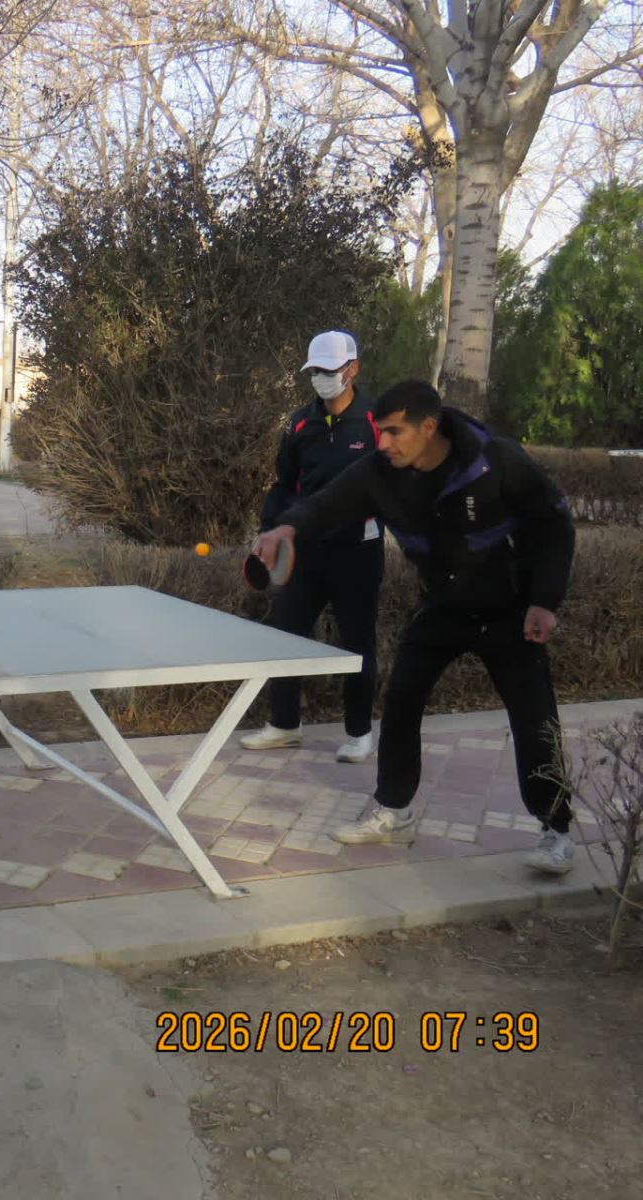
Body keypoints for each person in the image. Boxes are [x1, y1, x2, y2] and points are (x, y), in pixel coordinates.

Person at [254, 379, 577, 874]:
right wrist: (286, 528)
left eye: (393, 432)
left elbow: (554, 524)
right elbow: (326, 504)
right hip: (443, 607)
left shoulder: (497, 461)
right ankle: (393, 809)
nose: (382, 443)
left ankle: (557, 831)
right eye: (379, 432)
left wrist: (544, 601)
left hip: (510, 611)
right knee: (401, 700)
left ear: (429, 427)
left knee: (534, 720)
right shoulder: (379, 474)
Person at [238, 330, 384, 763]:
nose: (321, 377)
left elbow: (392, 483)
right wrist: (269, 530)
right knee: (286, 637)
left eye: (329, 369)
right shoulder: (300, 423)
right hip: (305, 553)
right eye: (315, 370)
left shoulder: (376, 421)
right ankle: (285, 725)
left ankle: (359, 733)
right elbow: (284, 485)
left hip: (358, 553)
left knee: (357, 645)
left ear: (353, 369)